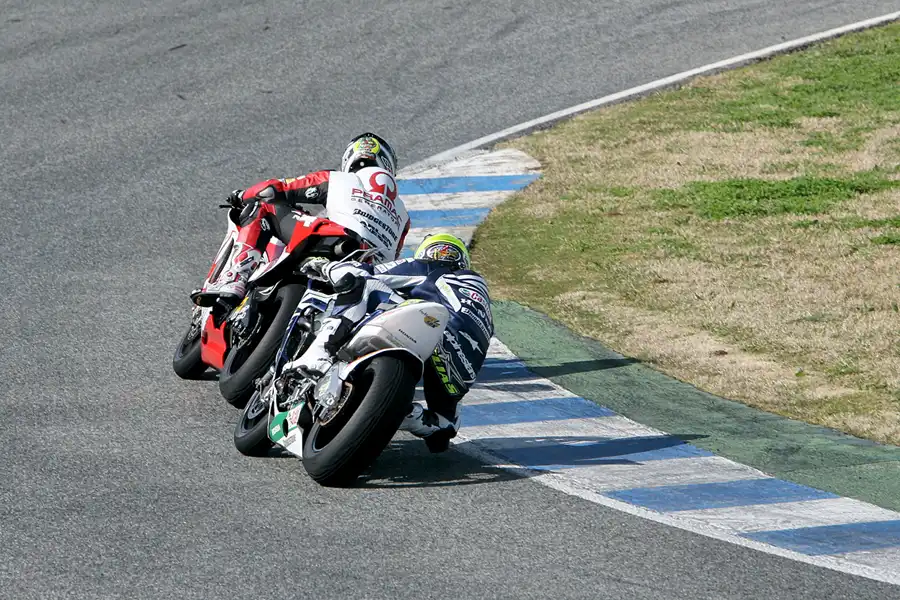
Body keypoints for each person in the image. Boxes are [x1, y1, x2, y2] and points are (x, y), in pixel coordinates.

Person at [288, 233, 494, 452]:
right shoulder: (481, 299)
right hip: (460, 369)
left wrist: (324, 267)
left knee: (357, 283)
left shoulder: (427, 267)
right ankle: (414, 418)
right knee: (445, 426)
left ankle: (319, 353)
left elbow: (365, 273)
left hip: (432, 329)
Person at [191, 132, 410, 308]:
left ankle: (234, 278)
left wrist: (242, 195)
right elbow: (394, 254)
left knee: (264, 204)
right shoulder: (404, 217)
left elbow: (275, 189)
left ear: (350, 158)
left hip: (337, 241)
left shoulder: (338, 178)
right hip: (368, 273)